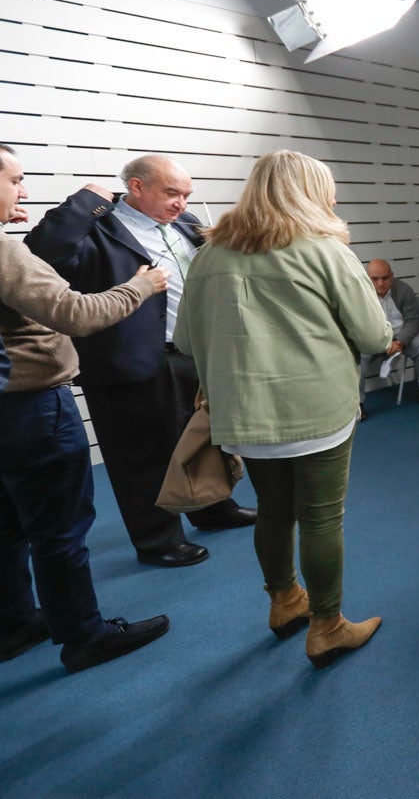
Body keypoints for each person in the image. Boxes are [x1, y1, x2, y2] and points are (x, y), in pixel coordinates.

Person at [174, 150, 391, 668]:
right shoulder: (324, 250)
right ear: (309, 192)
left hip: (244, 414)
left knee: (273, 511)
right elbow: (375, 335)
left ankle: (283, 601)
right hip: (314, 408)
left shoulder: (208, 254)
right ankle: (328, 626)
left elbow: (184, 340)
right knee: (320, 518)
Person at [25, 155, 256, 568]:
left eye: (186, 194)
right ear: (136, 187)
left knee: (205, 439)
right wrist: (86, 201)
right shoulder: (98, 226)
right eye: (171, 192)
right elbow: (43, 252)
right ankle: (157, 539)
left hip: (194, 352)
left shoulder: (186, 226)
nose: (180, 203)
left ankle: (212, 508)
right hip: (127, 360)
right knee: (142, 454)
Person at [0, 143, 172, 672]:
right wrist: (141, 286)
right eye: (16, 180)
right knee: (61, 527)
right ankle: (84, 635)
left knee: (7, 526)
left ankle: (16, 622)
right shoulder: (4, 252)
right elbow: (75, 311)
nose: (24, 191)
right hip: (34, 408)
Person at [360, 259, 419, 415]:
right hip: (374, 336)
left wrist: (400, 342)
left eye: (385, 278)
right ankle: (358, 404)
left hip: (403, 333)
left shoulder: (404, 290)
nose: (381, 283)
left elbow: (413, 321)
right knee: (358, 357)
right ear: (366, 278)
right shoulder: (359, 295)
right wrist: (378, 341)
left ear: (392, 276)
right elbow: (359, 326)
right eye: (375, 279)